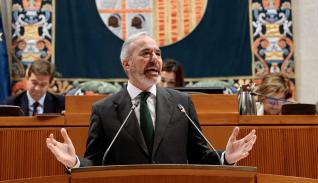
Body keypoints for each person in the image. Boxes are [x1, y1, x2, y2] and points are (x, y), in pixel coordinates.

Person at [46, 32, 256, 168]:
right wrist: (74, 162)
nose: (155, 59)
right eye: (145, 54)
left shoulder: (181, 103)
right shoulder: (104, 109)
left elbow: (199, 156)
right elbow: (96, 161)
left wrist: (226, 158)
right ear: (127, 64)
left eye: (158, 53)